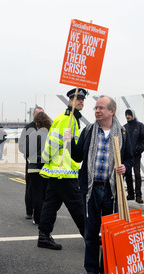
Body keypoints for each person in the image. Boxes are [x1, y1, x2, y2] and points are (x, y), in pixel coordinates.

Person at [70, 95, 133, 274]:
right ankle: (91, 271)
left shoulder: (121, 133)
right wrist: (70, 142)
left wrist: (125, 167)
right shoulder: (89, 130)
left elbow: (129, 158)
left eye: (101, 108)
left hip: (111, 192)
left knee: (109, 234)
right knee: (90, 233)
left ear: (111, 111)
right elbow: (78, 157)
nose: (97, 111)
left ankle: (107, 271)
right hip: (91, 190)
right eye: (96, 108)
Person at [37, 88, 87, 250]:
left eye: (82, 99)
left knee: (51, 204)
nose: (80, 101)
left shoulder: (70, 118)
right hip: (63, 172)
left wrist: (46, 161)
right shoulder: (68, 119)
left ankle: (43, 236)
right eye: (77, 98)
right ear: (70, 101)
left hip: (59, 171)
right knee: (76, 205)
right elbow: (53, 144)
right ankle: (89, 235)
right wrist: (46, 159)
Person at [18, 106, 44, 220]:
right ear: (33, 115)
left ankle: (40, 211)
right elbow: (21, 145)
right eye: (38, 114)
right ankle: (29, 211)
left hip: (44, 163)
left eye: (42, 114)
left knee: (43, 189)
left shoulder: (47, 127)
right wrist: (28, 155)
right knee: (30, 188)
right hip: (31, 162)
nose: (40, 116)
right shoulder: (28, 127)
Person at [27, 111, 52, 225]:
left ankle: (37, 218)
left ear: (37, 122)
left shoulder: (33, 134)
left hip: (33, 168)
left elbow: (27, 151)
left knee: (36, 194)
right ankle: (45, 217)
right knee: (46, 194)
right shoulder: (50, 134)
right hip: (46, 167)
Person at [124, 109, 144, 203]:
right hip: (127, 156)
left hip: (136, 155)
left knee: (137, 174)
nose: (127, 116)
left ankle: (138, 195)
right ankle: (130, 194)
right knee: (128, 174)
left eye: (129, 114)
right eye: (126, 114)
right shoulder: (124, 127)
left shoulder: (140, 126)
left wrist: (137, 150)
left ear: (133, 115)